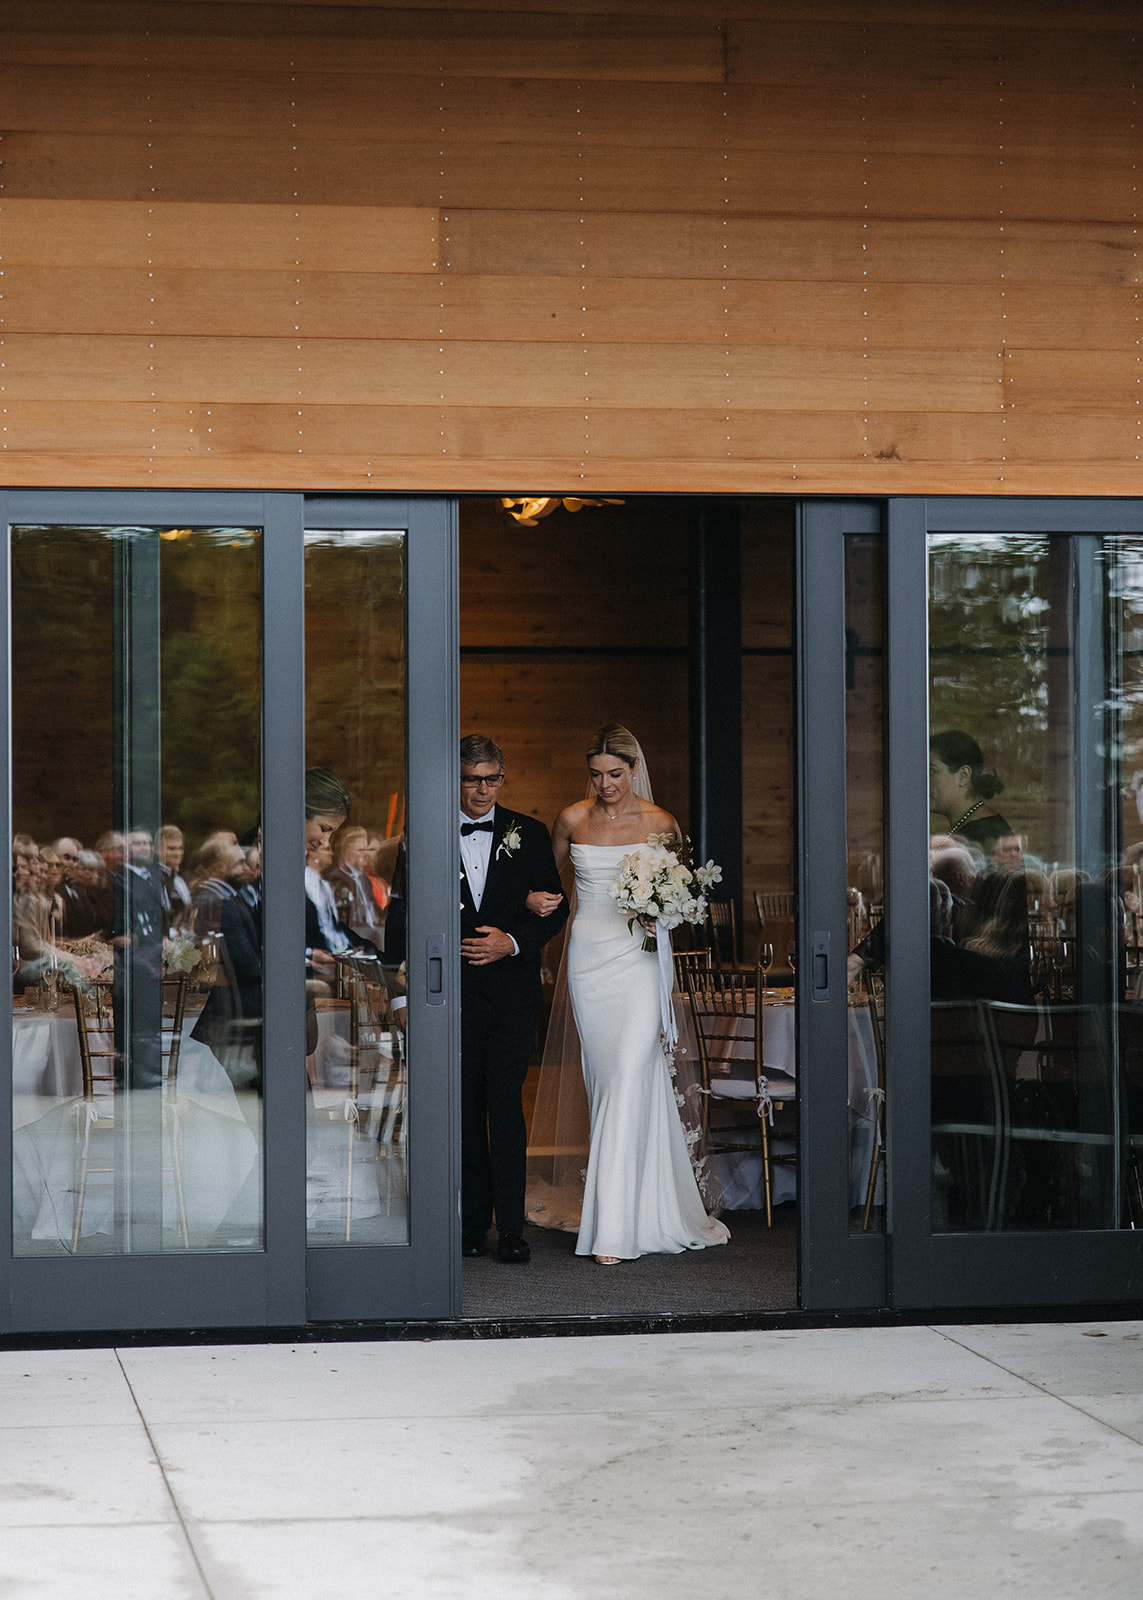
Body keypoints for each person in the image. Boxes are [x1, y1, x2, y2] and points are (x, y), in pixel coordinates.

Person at [549, 724, 730, 1264]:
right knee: (608, 1082)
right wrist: (540, 908)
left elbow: (685, 894)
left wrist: (663, 913)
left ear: (633, 770)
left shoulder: (661, 823)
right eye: (597, 773)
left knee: (631, 1074)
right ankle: (622, 1211)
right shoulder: (571, 818)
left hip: (640, 961)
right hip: (589, 958)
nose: (605, 783)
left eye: (616, 773)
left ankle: (618, 1229)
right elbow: (546, 881)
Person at [458, 734, 569, 1264]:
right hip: (451, 993)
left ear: (503, 777)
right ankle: (471, 1224)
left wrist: (514, 940)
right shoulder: (427, 833)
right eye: (472, 779)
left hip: (512, 993)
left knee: (504, 1104)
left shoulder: (530, 831)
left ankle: (511, 1228)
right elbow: (407, 914)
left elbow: (557, 907)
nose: (483, 789)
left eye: (492, 779)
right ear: (455, 780)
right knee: (464, 1105)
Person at [929, 730, 1013, 854]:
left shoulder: (981, 836)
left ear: (963, 776)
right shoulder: (976, 827)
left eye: (931, 771)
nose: (923, 780)